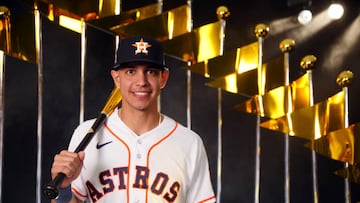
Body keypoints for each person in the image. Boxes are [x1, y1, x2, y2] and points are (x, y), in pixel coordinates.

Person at [50, 35, 216, 203]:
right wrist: (63, 189)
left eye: (150, 71)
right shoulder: (86, 134)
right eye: (131, 71)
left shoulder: (189, 142)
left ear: (163, 78)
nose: (141, 81)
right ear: (117, 78)